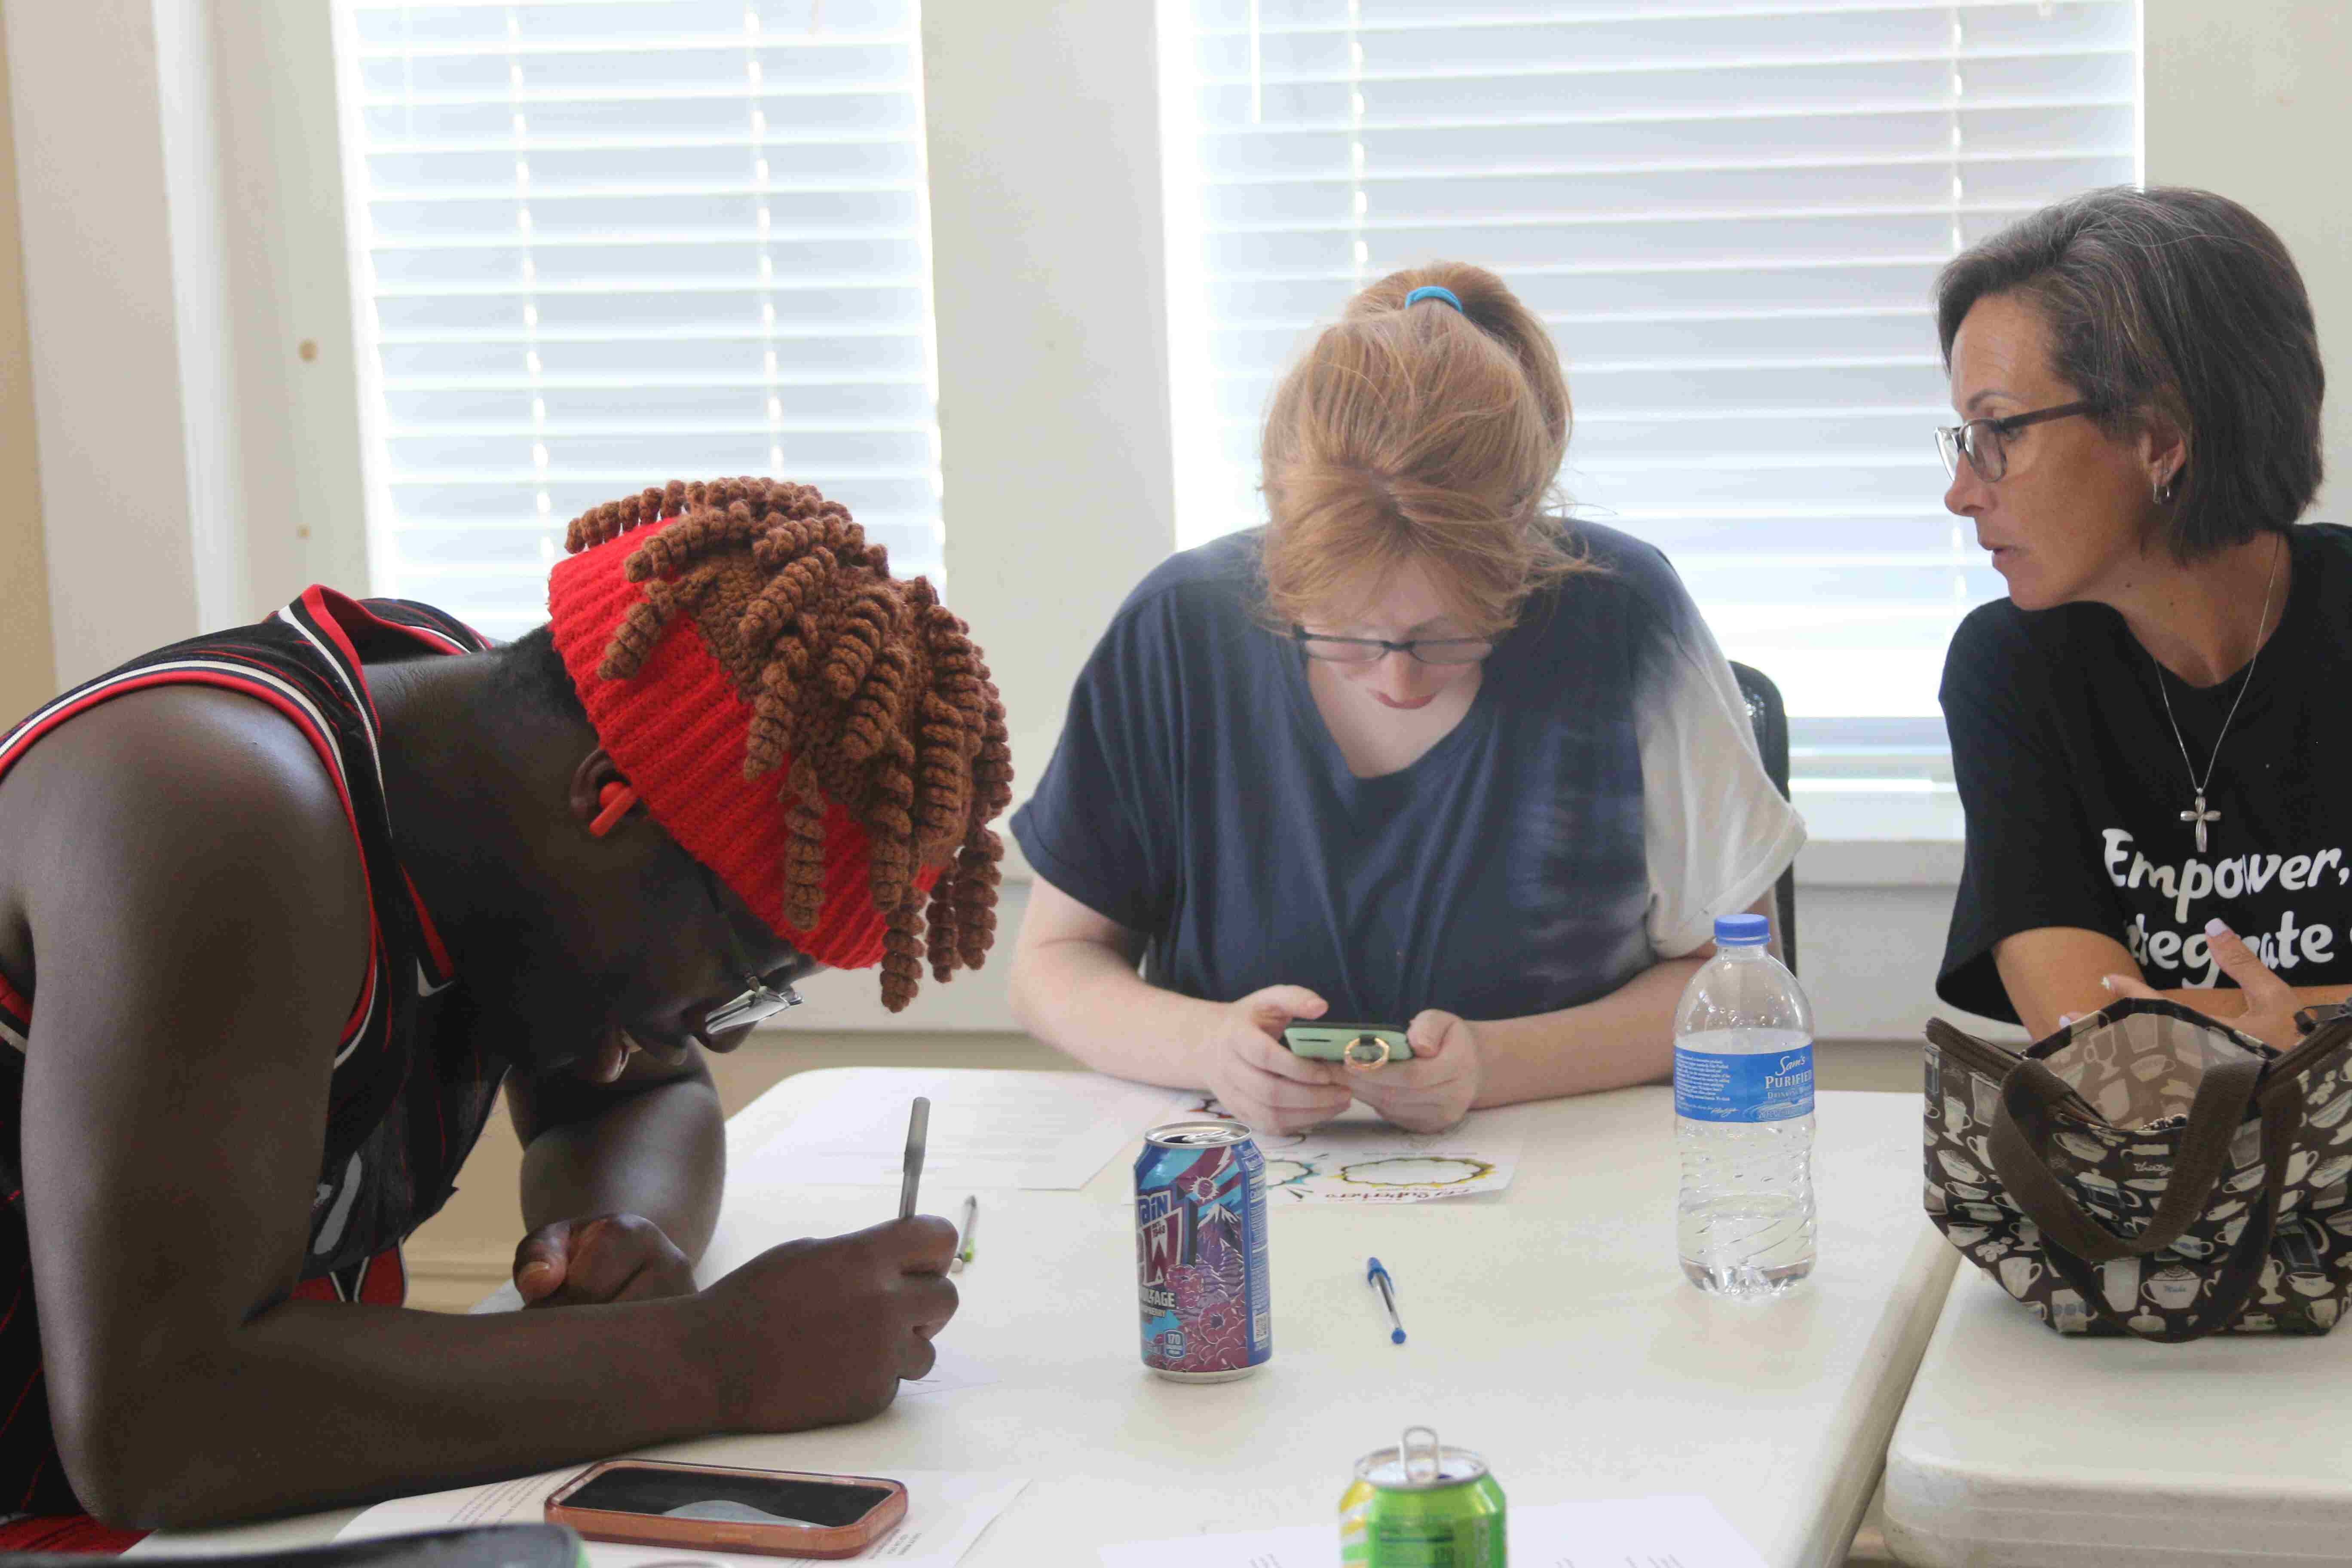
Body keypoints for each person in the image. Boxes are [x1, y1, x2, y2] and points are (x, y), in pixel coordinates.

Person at [0, 477, 1011, 1537]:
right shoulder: (211, 813)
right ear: (603, 800)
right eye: (732, 976)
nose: (709, 1030)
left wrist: (612, 1245)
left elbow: (637, 1100)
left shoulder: (476, 768)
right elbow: (162, 1424)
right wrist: (721, 1356)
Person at [1005, 264, 1804, 1135]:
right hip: (1246, 1176)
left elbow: (1738, 987)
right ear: (1280, 565)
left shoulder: (1627, 615)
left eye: (1446, 636)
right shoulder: (1179, 626)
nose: (1398, 680)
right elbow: (1054, 963)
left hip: (1567, 1166)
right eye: (1345, 634)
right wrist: (1208, 1047)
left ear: (1524, 555)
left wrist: (1494, 1066)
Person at [1932, 186, 2348, 1046]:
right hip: (2167, 1178)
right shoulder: (2011, 664)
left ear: (2160, 437)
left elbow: (2134, 1028)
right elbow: (2091, 1038)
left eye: (1998, 432)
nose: (1962, 491)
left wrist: (2198, 1021)